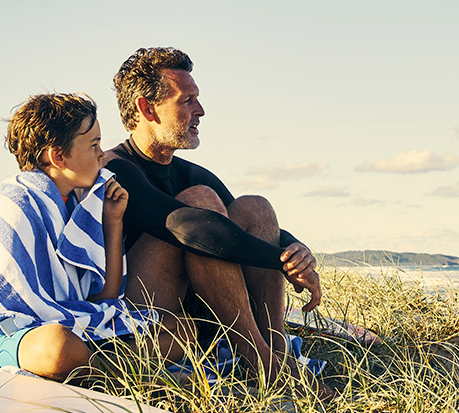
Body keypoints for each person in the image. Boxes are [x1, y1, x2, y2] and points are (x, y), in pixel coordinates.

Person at [0, 93, 181, 380]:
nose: (103, 155)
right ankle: (109, 367)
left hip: (77, 325)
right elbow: (5, 316)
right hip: (8, 338)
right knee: (58, 347)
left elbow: (106, 296)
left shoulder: (81, 207)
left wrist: (113, 221)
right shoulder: (13, 209)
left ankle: (98, 368)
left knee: (180, 331)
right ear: (57, 156)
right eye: (93, 145)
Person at [105, 48, 325, 392]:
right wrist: (280, 261)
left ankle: (278, 353)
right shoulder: (115, 168)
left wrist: (297, 253)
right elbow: (188, 226)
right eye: (187, 100)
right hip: (151, 321)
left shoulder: (191, 173)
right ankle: (262, 363)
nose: (200, 111)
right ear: (147, 108)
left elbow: (252, 229)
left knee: (255, 207)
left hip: (203, 314)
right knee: (200, 205)